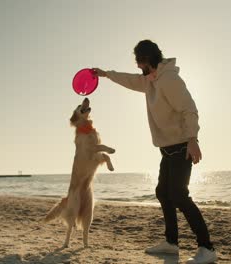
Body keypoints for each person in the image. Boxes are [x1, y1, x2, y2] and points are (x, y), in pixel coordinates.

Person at [92, 39, 216, 264]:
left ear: (147, 59)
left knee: (179, 195)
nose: (138, 67)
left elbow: (190, 109)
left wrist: (193, 139)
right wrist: (105, 74)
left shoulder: (169, 79)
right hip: (167, 149)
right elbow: (129, 80)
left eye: (139, 62)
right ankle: (171, 244)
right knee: (163, 192)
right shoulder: (149, 80)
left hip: (181, 146)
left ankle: (207, 248)